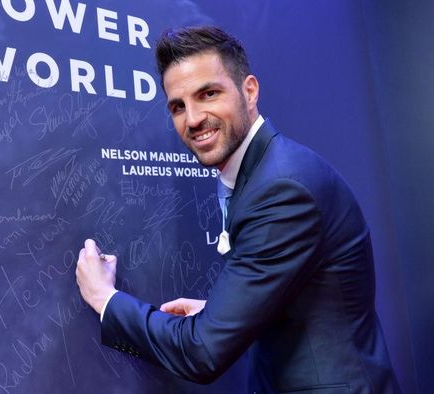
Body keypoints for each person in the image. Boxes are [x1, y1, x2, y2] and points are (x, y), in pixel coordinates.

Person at [75, 26, 400, 393]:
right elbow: (298, 291)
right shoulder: (261, 171)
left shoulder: (281, 188)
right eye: (178, 106)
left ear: (249, 91)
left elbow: (202, 353)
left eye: (208, 94)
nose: (193, 119)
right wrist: (219, 311)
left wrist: (106, 300)